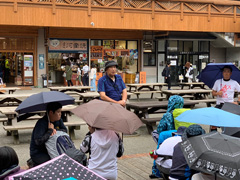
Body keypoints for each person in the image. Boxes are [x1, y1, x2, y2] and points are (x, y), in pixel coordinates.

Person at [30, 102, 67, 166]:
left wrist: (56, 130)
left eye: (60, 112)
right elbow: (38, 141)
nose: (60, 114)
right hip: (40, 152)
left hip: (54, 148)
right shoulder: (41, 123)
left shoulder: (59, 120)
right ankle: (32, 163)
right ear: (51, 113)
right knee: (53, 164)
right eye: (58, 112)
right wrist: (49, 131)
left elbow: (65, 130)